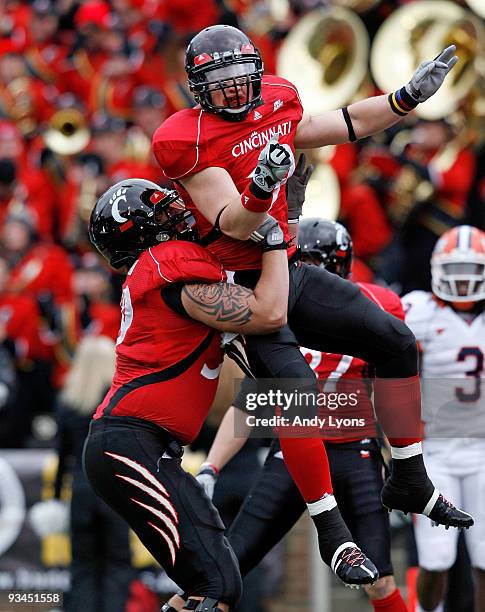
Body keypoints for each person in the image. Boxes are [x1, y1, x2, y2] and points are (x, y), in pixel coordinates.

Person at [152, 24, 471, 579]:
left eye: (239, 79)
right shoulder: (183, 138)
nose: (232, 91)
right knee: (295, 395)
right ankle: (333, 535)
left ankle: (411, 477)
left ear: (255, 74)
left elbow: (343, 124)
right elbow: (235, 222)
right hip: (240, 285)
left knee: (396, 341)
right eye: (218, 83)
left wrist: (406, 98)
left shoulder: (276, 97)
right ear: (197, 90)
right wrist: (261, 186)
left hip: (286, 267)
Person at [170, 219, 408, 612]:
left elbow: (396, 390)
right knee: (223, 576)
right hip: (292, 453)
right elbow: (252, 404)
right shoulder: (272, 313)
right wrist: (211, 466)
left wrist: (406, 462)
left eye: (318, 264)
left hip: (355, 452)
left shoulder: (376, 305)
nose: (310, 274)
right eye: (304, 264)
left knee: (380, 581)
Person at [84, 177, 289, 612]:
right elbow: (269, 312)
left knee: (212, 582)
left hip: (140, 445)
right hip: (131, 444)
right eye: (161, 213)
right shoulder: (166, 265)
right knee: (217, 584)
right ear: (138, 231)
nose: (177, 214)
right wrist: (273, 238)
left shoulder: (164, 270)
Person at [402, 225, 485, 612]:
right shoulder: (421, 308)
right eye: (455, 271)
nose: (464, 281)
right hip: (436, 450)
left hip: (483, 450)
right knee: (437, 559)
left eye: (472, 270)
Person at [30, 336, 134, 612]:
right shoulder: (119, 402)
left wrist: (53, 498)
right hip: (116, 492)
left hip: (82, 491)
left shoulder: (69, 403)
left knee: (83, 565)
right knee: (118, 564)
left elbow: (62, 458)